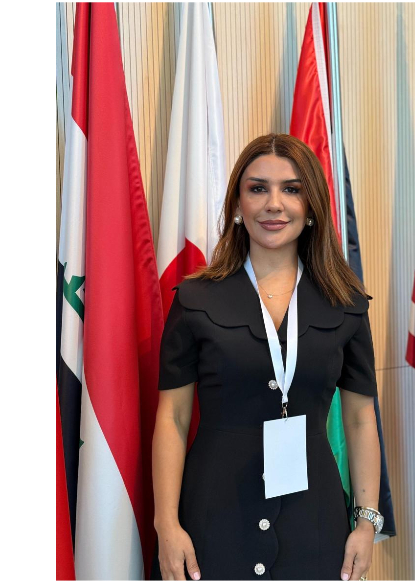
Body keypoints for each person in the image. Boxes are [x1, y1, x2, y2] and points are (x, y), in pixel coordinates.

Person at [152, 133, 383, 580]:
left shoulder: (346, 304)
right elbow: (172, 419)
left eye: (291, 189)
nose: (273, 204)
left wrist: (366, 521)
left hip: (315, 522)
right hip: (213, 518)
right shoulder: (195, 300)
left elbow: (359, 419)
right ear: (238, 205)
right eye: (257, 188)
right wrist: (167, 524)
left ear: (311, 207)